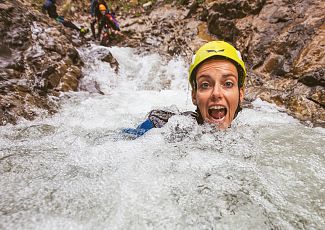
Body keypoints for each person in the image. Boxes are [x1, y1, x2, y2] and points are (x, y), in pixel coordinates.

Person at [122, 41, 247, 137]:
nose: (216, 93)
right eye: (205, 85)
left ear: (240, 94)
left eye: (228, 84)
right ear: (194, 96)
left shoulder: (248, 136)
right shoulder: (163, 127)